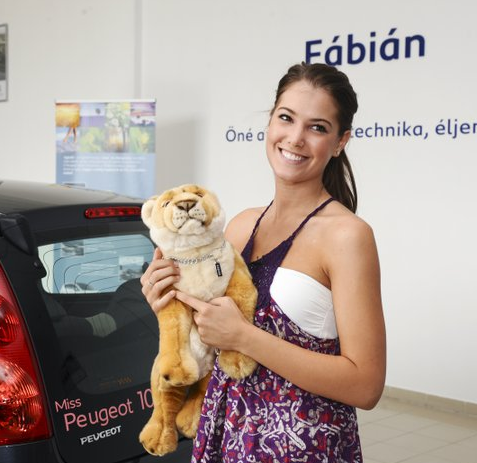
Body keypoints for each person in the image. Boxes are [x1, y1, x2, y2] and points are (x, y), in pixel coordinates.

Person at [141, 62, 386, 462]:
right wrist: (168, 300)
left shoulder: (347, 236)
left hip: (301, 447)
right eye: (286, 118)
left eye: (317, 127)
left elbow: (366, 385)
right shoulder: (240, 226)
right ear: (270, 122)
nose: (296, 138)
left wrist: (244, 338)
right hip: (226, 437)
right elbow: (210, 340)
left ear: (340, 141)